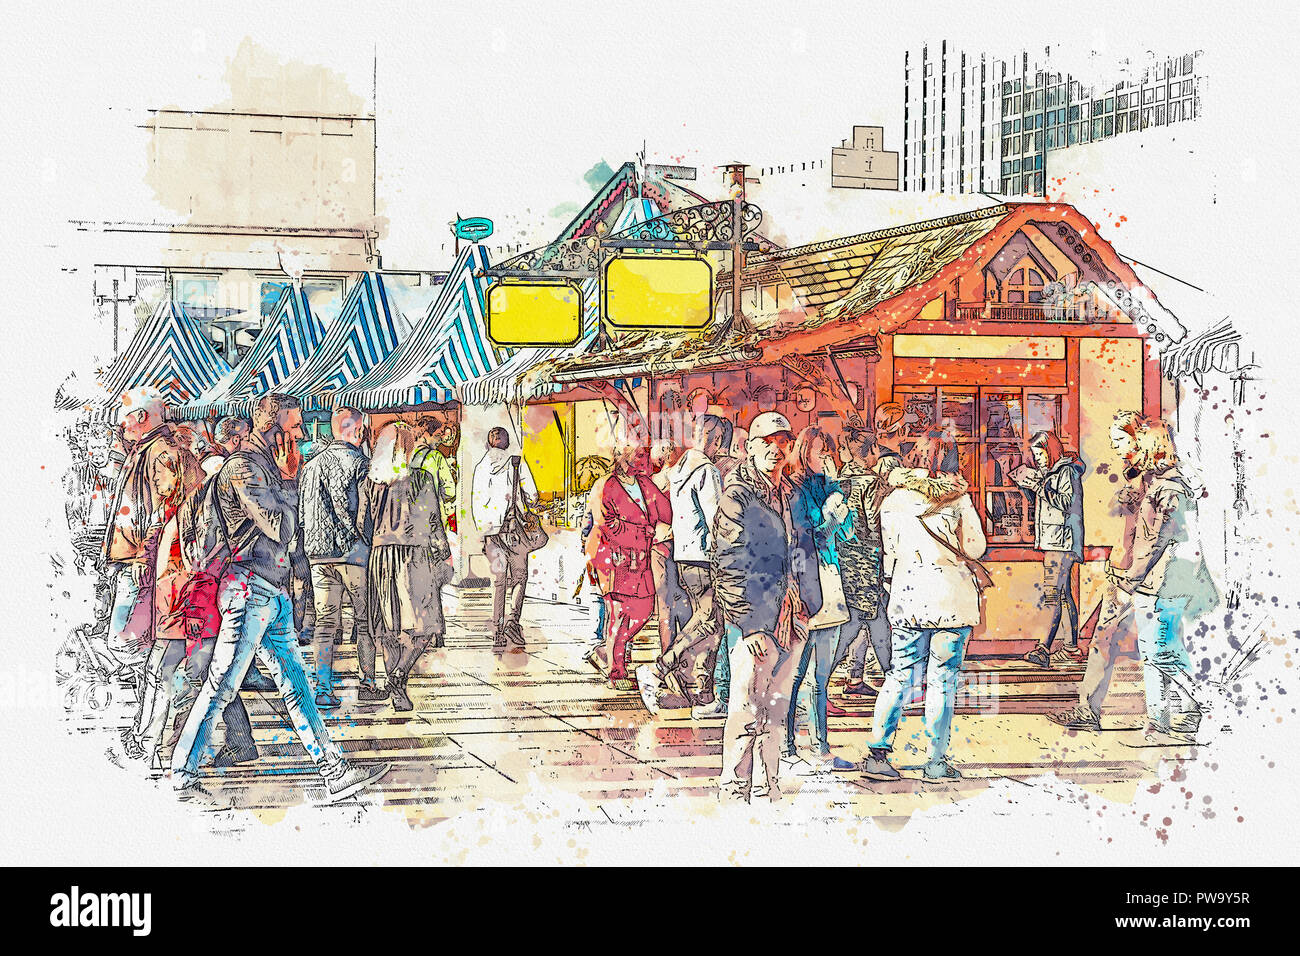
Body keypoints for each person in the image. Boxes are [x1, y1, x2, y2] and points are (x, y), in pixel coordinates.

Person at [169, 393, 390, 805]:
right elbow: (280, 527)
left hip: (270, 590)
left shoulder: (263, 464)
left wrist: (290, 481)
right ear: (272, 428)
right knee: (222, 685)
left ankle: (334, 769)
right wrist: (291, 483)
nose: (302, 434)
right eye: (294, 428)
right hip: (248, 589)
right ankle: (182, 771)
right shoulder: (244, 467)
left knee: (296, 684)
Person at [861, 435, 987, 784]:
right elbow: (976, 548)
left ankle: (878, 751)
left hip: (908, 597)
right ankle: (934, 761)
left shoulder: (894, 499)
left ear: (913, 454)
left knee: (900, 674)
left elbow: (888, 550)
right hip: (951, 600)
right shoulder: (958, 497)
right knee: (943, 681)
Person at [714, 412, 819, 803]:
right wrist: (751, 624)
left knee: (776, 707)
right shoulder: (738, 494)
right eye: (766, 442)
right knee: (745, 707)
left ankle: (768, 785)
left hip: (792, 614)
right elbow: (726, 562)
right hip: (757, 617)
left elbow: (804, 548)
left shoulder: (790, 492)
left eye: (782, 441)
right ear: (749, 447)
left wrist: (810, 603)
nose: (775, 449)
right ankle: (734, 787)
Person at [1048, 410, 1148, 733]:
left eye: (1119, 439)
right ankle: (1087, 706)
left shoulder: (1148, 476)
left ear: (1136, 438)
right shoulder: (1135, 474)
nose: (1114, 445)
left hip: (1136, 572)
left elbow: (1145, 531)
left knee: (1158, 645)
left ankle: (1187, 706)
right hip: (1124, 568)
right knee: (1103, 640)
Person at [101, 391, 204, 680]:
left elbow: (166, 510)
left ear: (142, 417)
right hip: (139, 560)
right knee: (133, 637)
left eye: (126, 420)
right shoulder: (149, 449)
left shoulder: (161, 452)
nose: (123, 426)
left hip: (144, 562)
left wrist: (144, 557)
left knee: (127, 640)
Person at [1119, 419, 1205, 744]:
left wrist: (1134, 575)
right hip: (1158, 580)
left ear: (1152, 448)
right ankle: (1162, 718)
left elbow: (1159, 538)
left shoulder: (1169, 488)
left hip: (1161, 581)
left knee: (1159, 651)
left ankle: (1197, 704)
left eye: (1137, 447)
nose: (1131, 453)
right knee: (1156, 650)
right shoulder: (1161, 484)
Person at [358, 422, 454, 712]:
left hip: (380, 556)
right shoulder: (422, 479)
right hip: (415, 556)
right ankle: (400, 676)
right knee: (424, 626)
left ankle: (395, 681)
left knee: (389, 627)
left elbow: (362, 522)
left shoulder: (370, 482)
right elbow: (433, 520)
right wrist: (445, 553)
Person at [640, 414, 731, 714]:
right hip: (705, 557)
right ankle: (658, 668)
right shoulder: (706, 470)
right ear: (716, 440)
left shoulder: (681, 468)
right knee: (707, 619)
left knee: (713, 623)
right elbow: (716, 518)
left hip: (684, 555)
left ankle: (704, 691)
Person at [783, 424, 855, 770]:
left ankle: (820, 746)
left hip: (832, 581)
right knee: (795, 672)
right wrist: (828, 520)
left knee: (821, 674)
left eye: (828, 449)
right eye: (818, 449)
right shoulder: (795, 491)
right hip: (806, 585)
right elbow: (805, 538)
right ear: (804, 452)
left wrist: (839, 504)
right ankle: (787, 747)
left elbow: (850, 532)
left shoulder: (831, 487)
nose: (824, 455)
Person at [299, 406, 371, 707]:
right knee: (364, 620)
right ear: (355, 430)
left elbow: (303, 514)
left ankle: (324, 689)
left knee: (325, 625)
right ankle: (368, 680)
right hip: (354, 554)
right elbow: (364, 511)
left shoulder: (311, 466)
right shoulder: (361, 464)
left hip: (318, 555)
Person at [587, 442, 672, 691]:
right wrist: (645, 532)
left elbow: (664, 511)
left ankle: (606, 651)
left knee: (644, 610)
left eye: (644, 454)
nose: (643, 458)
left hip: (641, 559)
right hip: (614, 561)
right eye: (638, 454)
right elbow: (607, 524)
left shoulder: (645, 483)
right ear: (620, 456)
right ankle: (616, 672)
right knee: (619, 615)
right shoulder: (606, 485)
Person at [839, 420, 903, 698]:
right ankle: (895, 681)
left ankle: (888, 678)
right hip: (868, 562)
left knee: (873, 620)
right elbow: (877, 526)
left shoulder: (842, 478)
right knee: (858, 621)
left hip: (845, 559)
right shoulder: (870, 482)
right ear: (873, 449)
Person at [1013, 431, 1086, 666]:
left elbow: (1067, 502)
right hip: (1054, 540)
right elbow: (1045, 501)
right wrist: (1027, 486)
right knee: (1063, 596)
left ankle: (1044, 649)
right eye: (1035, 455)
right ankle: (1071, 648)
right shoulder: (1052, 473)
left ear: (1051, 449)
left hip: (1061, 541)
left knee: (1053, 594)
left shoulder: (1067, 471)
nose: (1038, 460)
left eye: (1040, 454)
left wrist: (1039, 484)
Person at [472, 427, 537, 648]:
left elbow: (476, 503)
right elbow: (532, 494)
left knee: (499, 582)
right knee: (519, 575)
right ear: (507, 443)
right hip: (513, 531)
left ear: (490, 444)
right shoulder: (516, 461)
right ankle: (512, 620)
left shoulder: (480, 467)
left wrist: (484, 532)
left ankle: (497, 630)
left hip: (491, 533)